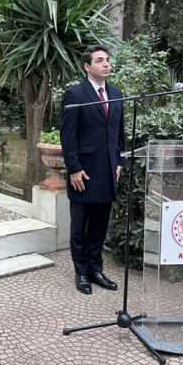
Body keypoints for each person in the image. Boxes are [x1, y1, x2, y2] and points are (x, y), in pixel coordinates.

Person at [60, 45, 125, 294]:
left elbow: (119, 133)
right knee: (79, 227)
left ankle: (95, 270)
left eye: (107, 59)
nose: (106, 64)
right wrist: (74, 168)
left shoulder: (116, 93)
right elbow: (68, 135)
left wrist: (119, 162)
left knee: (99, 225)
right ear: (87, 66)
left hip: (107, 170)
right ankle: (81, 272)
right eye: (100, 60)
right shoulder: (75, 94)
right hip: (84, 173)